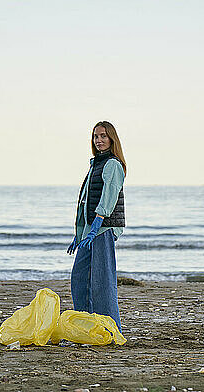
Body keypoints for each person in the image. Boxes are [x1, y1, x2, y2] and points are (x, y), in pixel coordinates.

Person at [68, 121, 127, 330]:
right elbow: (85, 200)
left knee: (102, 282)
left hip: (103, 229)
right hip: (90, 232)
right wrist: (80, 233)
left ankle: (110, 329)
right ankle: (86, 327)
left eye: (103, 136)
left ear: (112, 138)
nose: (99, 140)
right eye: (95, 136)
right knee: (80, 279)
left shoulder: (113, 164)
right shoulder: (96, 164)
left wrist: (97, 226)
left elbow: (108, 198)